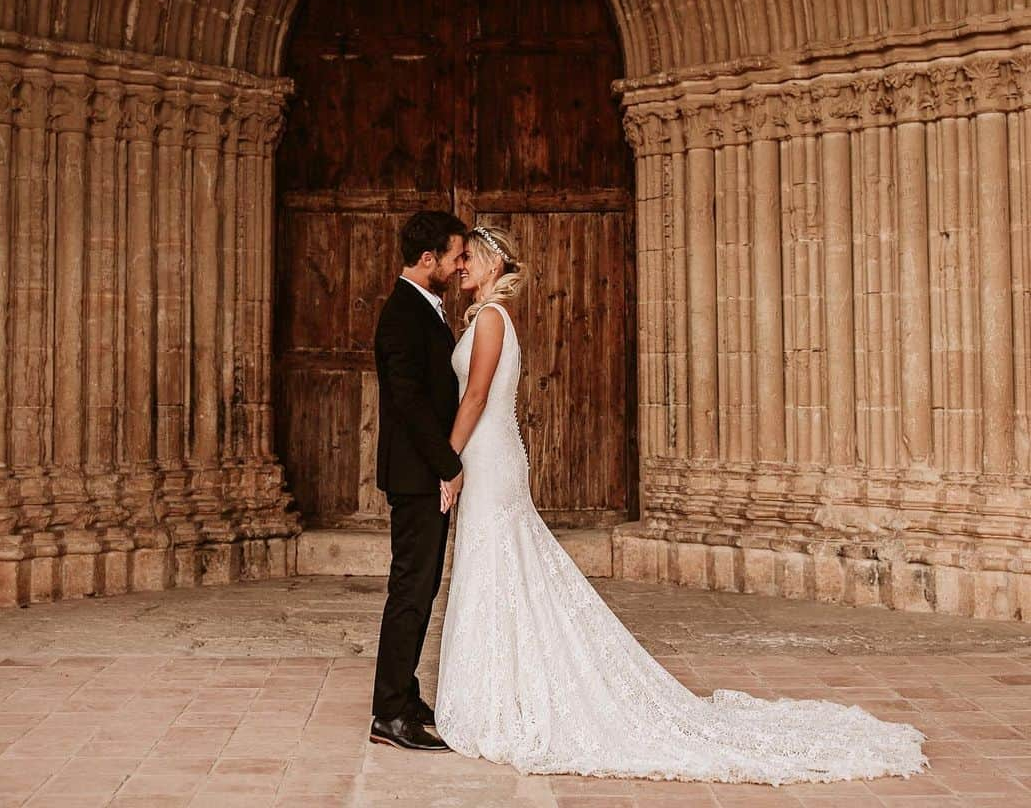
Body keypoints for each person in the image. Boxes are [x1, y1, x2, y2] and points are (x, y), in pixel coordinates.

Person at [433, 224, 928, 785]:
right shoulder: (481, 319)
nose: (462, 265)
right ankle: (503, 687)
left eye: (470, 257)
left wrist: (447, 462)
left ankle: (510, 695)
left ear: (495, 264)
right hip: (487, 452)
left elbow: (475, 395)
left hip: (489, 455)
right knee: (497, 568)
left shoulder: (494, 320)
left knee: (500, 562)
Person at [369, 210, 467, 752]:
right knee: (410, 589)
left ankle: (404, 695)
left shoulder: (424, 309)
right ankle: (389, 712)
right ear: (427, 258)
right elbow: (407, 403)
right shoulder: (402, 314)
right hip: (416, 476)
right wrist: (448, 465)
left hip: (422, 472)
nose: (460, 266)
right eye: (454, 256)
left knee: (422, 587)